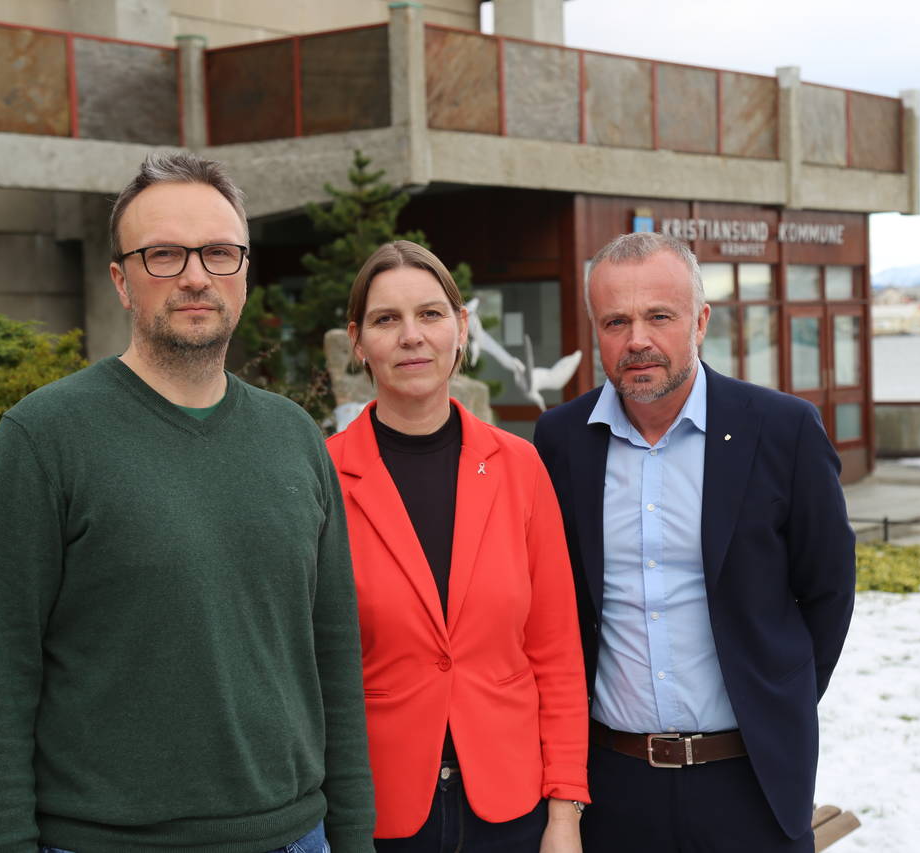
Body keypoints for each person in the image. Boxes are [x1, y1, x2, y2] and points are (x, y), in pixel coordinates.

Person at [0, 152, 374, 853]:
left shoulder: (294, 437)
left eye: (218, 253)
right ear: (120, 278)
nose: (197, 275)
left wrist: (353, 838)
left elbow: (334, 664)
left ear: (244, 271)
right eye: (164, 254)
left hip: (298, 837)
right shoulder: (43, 438)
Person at [533, 232, 856, 852]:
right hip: (612, 788)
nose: (637, 341)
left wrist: (775, 698)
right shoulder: (561, 442)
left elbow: (829, 591)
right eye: (616, 321)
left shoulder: (782, 430)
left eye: (660, 316)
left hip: (751, 781)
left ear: (701, 320)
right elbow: (560, 608)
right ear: (594, 329)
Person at [324, 241, 589, 852]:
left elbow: (555, 653)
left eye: (431, 314)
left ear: (461, 328)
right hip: (377, 815)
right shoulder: (323, 477)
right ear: (358, 341)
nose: (412, 336)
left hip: (512, 810)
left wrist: (565, 813)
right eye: (386, 320)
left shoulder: (519, 467)